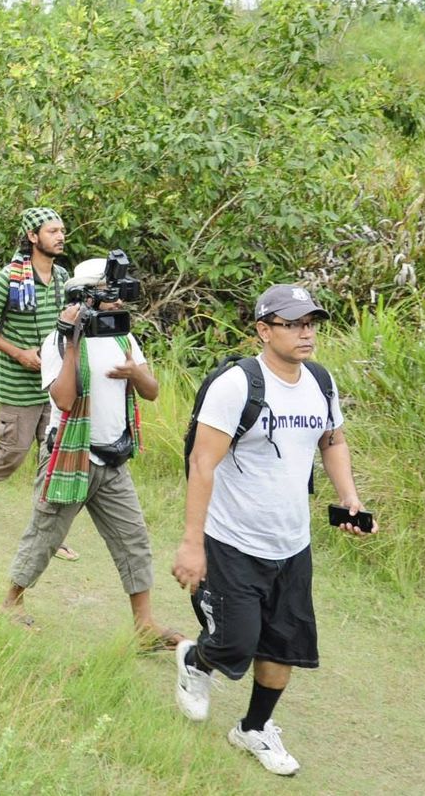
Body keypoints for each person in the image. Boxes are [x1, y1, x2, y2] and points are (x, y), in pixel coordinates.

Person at [171, 284, 377, 777]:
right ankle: (196, 662)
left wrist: (350, 496)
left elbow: (332, 440)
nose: (307, 332)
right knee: (237, 641)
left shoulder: (321, 382)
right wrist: (191, 543)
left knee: (284, 644)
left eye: (311, 322)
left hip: (292, 542)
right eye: (293, 323)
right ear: (264, 330)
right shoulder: (237, 385)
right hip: (233, 539)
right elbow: (203, 463)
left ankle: (254, 728)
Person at [0, 258, 180, 651]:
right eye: (107, 296)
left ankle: (144, 625)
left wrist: (136, 374)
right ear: (84, 297)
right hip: (69, 454)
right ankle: (11, 601)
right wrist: (73, 343)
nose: (116, 304)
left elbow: (151, 391)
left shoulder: (123, 338)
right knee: (46, 534)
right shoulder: (56, 343)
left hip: (112, 459)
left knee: (134, 540)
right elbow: (63, 400)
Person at [0, 208, 80, 560]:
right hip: (17, 383)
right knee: (11, 455)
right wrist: (18, 354)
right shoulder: (8, 279)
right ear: (32, 237)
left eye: (62, 230)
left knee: (54, 455)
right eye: (52, 231)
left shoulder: (62, 278)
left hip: (53, 383)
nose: (60, 236)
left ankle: (49, 534)